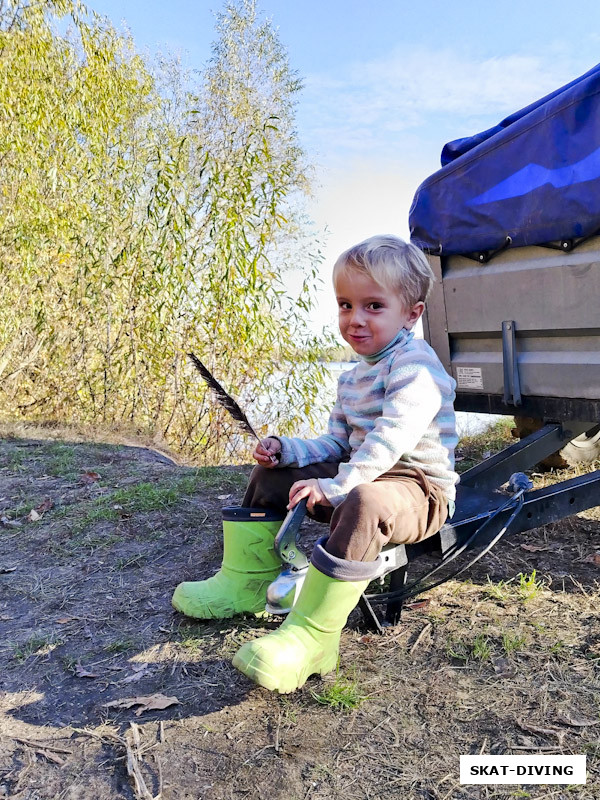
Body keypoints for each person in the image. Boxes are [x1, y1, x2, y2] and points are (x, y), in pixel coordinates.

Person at [172, 234, 459, 693]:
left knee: (365, 499)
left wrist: (337, 488)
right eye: (346, 305)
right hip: (362, 473)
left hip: (418, 489)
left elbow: (388, 443)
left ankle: (313, 637)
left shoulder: (416, 369)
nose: (355, 319)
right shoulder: (353, 375)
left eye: (373, 306)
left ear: (412, 314)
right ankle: (247, 583)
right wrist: (288, 451)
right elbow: (336, 442)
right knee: (272, 474)